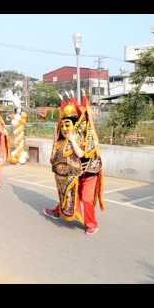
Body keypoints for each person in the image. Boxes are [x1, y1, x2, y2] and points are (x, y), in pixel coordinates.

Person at [43, 96, 105, 236]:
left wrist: (72, 141)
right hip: (73, 173)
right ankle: (58, 211)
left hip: (89, 173)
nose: (64, 128)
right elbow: (54, 159)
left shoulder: (85, 135)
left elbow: (82, 154)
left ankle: (91, 224)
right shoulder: (62, 140)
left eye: (67, 125)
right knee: (67, 192)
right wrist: (55, 142)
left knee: (86, 199)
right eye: (63, 125)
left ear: (75, 124)